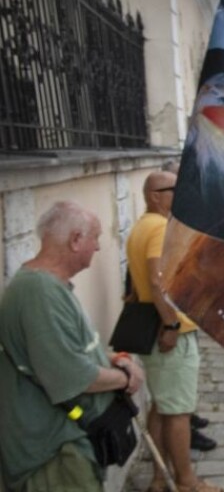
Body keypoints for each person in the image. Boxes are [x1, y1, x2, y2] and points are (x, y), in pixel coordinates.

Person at [0, 202, 147, 492]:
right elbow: (73, 376)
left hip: (68, 442)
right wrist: (127, 378)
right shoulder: (38, 292)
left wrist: (117, 359)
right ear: (76, 239)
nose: (98, 247)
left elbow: (73, 350)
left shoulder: (50, 286)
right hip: (54, 452)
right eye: (95, 237)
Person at [126, 173, 221, 492]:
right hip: (170, 331)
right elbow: (156, 281)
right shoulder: (158, 227)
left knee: (162, 406)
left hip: (156, 327)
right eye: (173, 190)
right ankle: (186, 481)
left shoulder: (142, 226)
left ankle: (158, 478)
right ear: (154, 195)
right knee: (179, 410)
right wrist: (170, 324)